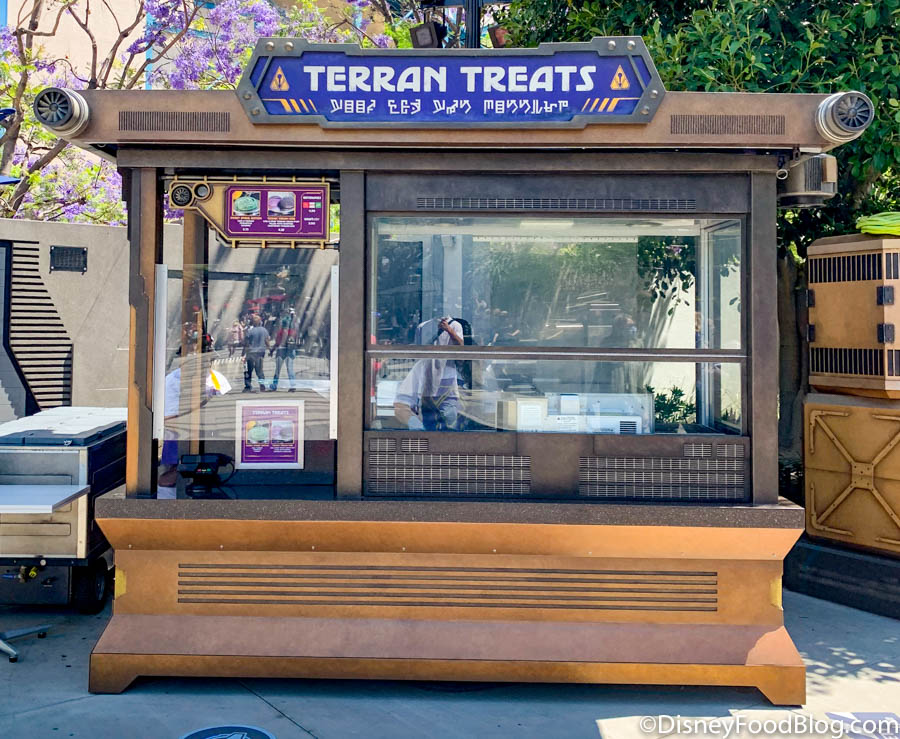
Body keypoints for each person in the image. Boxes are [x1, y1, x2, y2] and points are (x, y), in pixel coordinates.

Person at [394, 317, 464, 431]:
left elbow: (461, 350)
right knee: (430, 425)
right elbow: (400, 404)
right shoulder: (423, 327)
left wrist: (449, 331)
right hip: (427, 382)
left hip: (446, 383)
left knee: (449, 424)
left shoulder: (455, 325)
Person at [270, 309, 297, 391]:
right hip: (290, 350)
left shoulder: (281, 332)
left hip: (281, 350)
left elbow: (277, 342)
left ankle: (274, 385)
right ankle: (293, 386)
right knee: (290, 368)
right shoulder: (293, 331)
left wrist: (272, 350)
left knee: (278, 369)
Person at [243, 313, 271, 392]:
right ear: (260, 322)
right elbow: (267, 341)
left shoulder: (250, 331)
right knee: (259, 370)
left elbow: (246, 343)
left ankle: (248, 386)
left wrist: (244, 353)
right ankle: (262, 385)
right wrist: (270, 350)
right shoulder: (264, 330)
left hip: (251, 353)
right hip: (260, 353)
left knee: (249, 370)